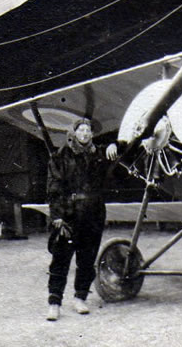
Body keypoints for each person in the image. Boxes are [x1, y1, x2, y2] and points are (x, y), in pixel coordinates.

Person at [46, 117, 120, 321]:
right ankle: (54, 302)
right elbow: (54, 188)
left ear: (92, 134)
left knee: (87, 259)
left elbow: (123, 150)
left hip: (93, 214)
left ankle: (80, 298)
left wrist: (115, 144)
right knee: (60, 259)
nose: (85, 134)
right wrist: (57, 216)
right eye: (81, 130)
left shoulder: (99, 155)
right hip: (69, 214)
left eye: (88, 130)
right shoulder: (61, 156)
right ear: (74, 133)